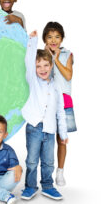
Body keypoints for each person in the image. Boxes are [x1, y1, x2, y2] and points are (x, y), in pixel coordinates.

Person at [21, 31, 68, 200]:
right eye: (38, 66)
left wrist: (63, 133)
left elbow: (60, 112)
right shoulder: (33, 81)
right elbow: (28, 61)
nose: (42, 69)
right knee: (32, 161)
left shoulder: (56, 87)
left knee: (48, 161)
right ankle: (30, 186)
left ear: (51, 66)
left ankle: (47, 186)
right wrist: (32, 41)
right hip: (34, 127)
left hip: (50, 129)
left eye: (46, 65)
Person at [42, 22, 77, 186]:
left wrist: (55, 59)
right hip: (48, 101)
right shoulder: (42, 55)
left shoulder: (67, 54)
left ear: (62, 38)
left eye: (57, 37)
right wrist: (47, 56)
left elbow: (68, 75)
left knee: (62, 139)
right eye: (49, 37)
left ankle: (60, 172)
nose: (53, 40)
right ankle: (46, 173)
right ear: (45, 39)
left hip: (64, 100)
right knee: (47, 137)